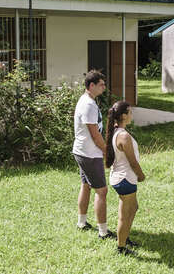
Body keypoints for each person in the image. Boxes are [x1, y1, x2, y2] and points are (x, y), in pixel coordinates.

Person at [73, 70, 115, 239]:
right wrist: (106, 151)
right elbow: (94, 133)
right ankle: (103, 232)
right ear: (91, 85)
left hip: (82, 151)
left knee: (86, 185)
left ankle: (82, 222)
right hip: (89, 154)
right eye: (101, 85)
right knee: (102, 191)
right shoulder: (89, 105)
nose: (104, 88)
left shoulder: (86, 100)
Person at [105, 101, 145, 255]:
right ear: (123, 115)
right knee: (124, 215)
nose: (131, 115)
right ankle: (121, 248)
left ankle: (125, 237)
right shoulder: (123, 136)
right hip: (125, 180)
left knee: (133, 208)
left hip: (122, 178)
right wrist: (141, 175)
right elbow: (133, 162)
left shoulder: (116, 131)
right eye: (129, 112)